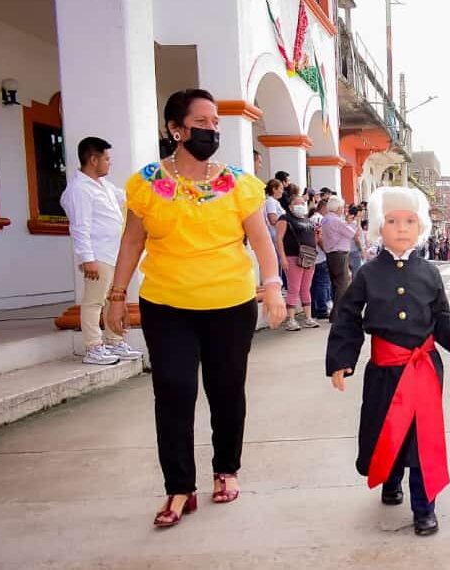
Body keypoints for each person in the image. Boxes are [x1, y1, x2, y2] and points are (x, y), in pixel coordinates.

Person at [105, 89, 287, 528]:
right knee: (172, 391)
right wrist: (116, 294)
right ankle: (179, 488)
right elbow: (133, 240)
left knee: (226, 391)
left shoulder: (239, 183)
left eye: (215, 123)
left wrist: (273, 285)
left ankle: (226, 469)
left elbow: (261, 238)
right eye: (202, 122)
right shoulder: (146, 183)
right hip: (167, 304)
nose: (211, 130)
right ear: (176, 129)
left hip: (228, 303)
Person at [326, 186, 450, 537]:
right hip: (384, 369)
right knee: (386, 430)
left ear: (420, 226)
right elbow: (347, 316)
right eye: (393, 221)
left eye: (410, 220)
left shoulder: (429, 273)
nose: (402, 227)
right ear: (379, 227)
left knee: (421, 437)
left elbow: (439, 316)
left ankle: (424, 507)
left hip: (423, 368)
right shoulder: (367, 274)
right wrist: (340, 361)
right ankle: (390, 480)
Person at [59, 136, 142, 365]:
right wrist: (88, 259)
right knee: (94, 301)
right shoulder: (79, 190)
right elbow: (79, 227)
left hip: (113, 252)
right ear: (93, 159)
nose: (109, 163)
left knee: (112, 299)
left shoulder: (103, 185)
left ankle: (114, 340)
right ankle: (93, 347)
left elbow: (127, 198)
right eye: (106, 159)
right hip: (97, 255)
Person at [276, 194, 321, 331]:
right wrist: (282, 257)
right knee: (294, 287)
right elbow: (279, 239)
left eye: (303, 203)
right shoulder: (285, 219)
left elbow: (314, 238)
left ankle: (308, 317)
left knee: (306, 287)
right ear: (290, 206)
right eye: (298, 203)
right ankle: (291, 319)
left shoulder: (308, 220)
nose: (301, 205)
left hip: (309, 258)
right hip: (293, 257)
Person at [321, 197, 352, 319]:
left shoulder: (325, 219)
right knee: (342, 283)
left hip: (330, 253)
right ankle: (338, 313)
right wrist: (351, 222)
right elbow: (351, 232)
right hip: (339, 253)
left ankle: (336, 312)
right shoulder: (337, 220)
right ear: (338, 208)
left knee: (336, 283)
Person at [309, 199, 333, 319]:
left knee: (314, 284)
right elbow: (319, 238)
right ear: (324, 207)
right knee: (323, 283)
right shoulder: (319, 219)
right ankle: (322, 308)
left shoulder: (312, 218)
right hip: (320, 256)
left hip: (312, 256)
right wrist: (326, 250)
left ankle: (314, 308)